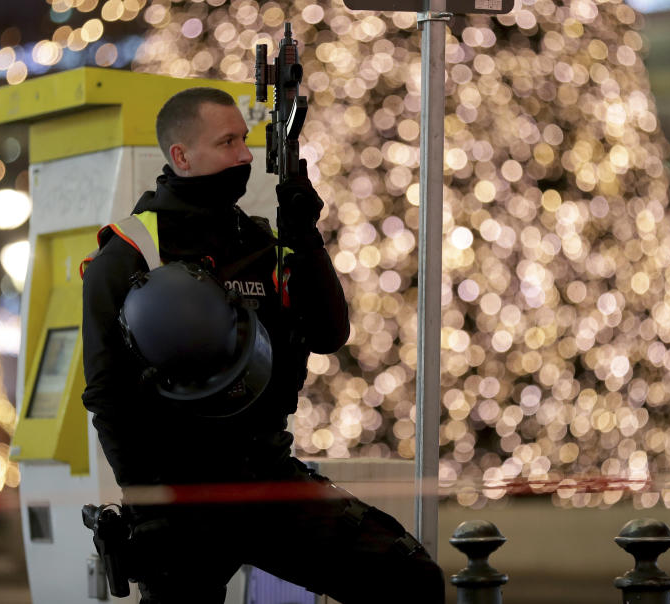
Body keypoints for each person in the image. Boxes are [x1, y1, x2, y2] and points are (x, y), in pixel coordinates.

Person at [81, 87, 444, 603]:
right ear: (181, 156)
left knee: (409, 580)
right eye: (228, 142)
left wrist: (305, 239)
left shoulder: (257, 244)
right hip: (180, 498)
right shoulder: (131, 254)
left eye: (245, 141)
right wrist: (147, 503)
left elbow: (328, 334)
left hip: (267, 478)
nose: (245, 156)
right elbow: (107, 394)